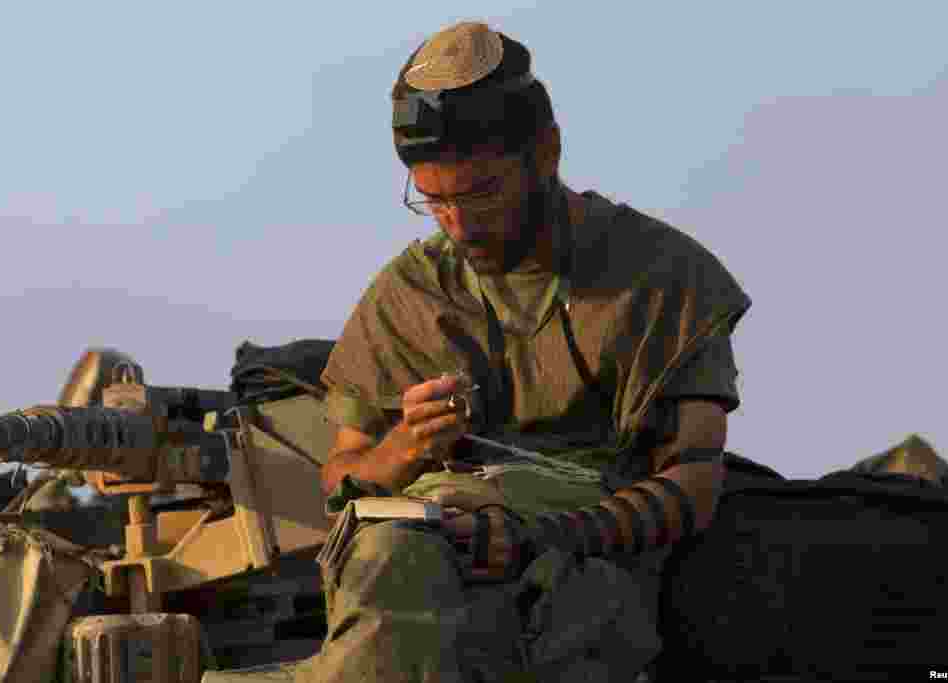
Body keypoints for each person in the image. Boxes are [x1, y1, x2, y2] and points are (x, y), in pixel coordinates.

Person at [241, 21, 752, 683]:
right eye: (433, 199)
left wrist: (547, 535)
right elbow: (340, 480)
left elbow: (695, 482)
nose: (459, 222)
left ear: (546, 152)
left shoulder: (662, 279)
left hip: (578, 585)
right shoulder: (406, 297)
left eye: (481, 192)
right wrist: (405, 447)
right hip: (403, 573)